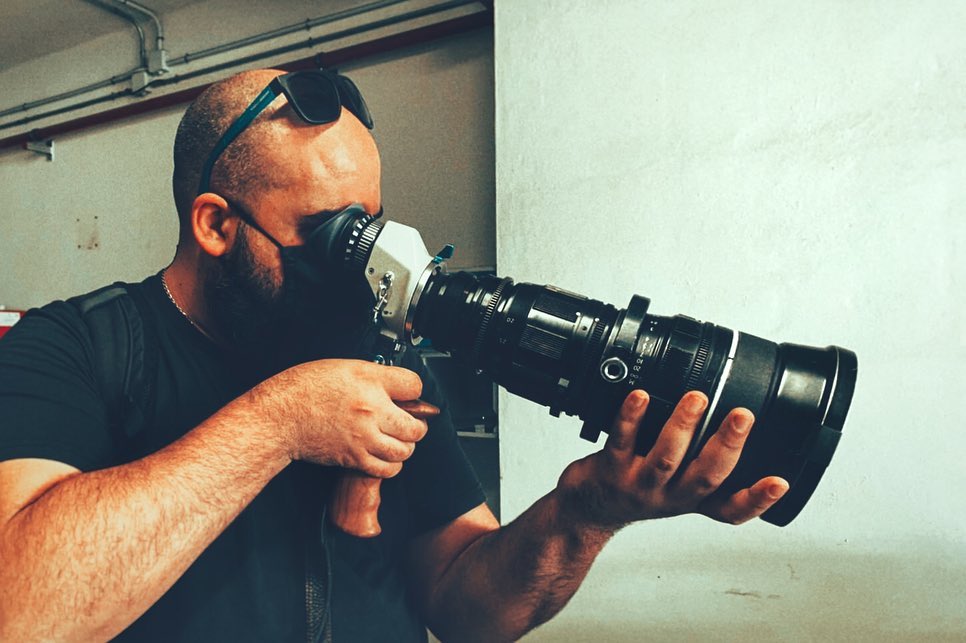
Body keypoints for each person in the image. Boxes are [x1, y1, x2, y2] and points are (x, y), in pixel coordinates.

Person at [0, 68, 789, 642]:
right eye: (329, 233)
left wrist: (585, 514)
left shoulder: (378, 358)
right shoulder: (73, 348)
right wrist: (279, 421)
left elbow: (465, 606)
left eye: (372, 225)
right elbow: (21, 609)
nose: (363, 264)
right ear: (215, 224)